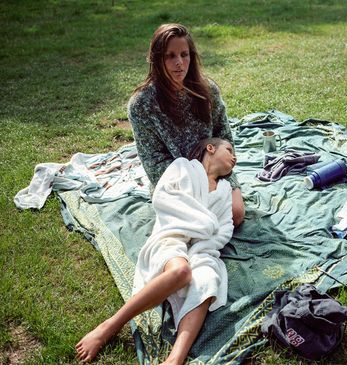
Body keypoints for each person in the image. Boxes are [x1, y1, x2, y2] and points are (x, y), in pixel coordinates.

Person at [76, 138, 237, 364]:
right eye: (229, 150)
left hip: (203, 248)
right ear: (210, 148)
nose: (234, 157)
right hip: (173, 235)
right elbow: (164, 197)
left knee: (208, 281)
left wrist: (204, 243)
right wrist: (204, 224)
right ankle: (109, 326)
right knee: (181, 272)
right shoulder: (183, 167)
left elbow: (226, 225)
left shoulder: (225, 190)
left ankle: (175, 359)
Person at [126, 23, 244, 226]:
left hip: (217, 171)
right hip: (175, 183)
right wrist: (197, 183)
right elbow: (153, 162)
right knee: (197, 221)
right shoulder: (142, 104)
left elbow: (225, 137)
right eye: (170, 56)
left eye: (184, 54)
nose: (179, 62)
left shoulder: (208, 91)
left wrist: (216, 174)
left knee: (235, 214)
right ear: (157, 60)